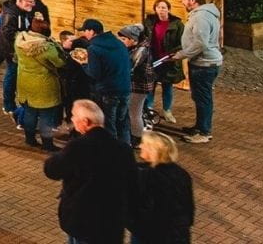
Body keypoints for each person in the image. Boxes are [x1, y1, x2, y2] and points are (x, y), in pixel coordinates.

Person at [43, 99, 137, 244]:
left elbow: (52, 170)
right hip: (112, 220)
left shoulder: (78, 147)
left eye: (74, 116)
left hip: (83, 219)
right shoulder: (123, 148)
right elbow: (132, 183)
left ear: (86, 121)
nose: (72, 120)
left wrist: (59, 154)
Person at [173, 0, 221, 144]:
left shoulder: (201, 17)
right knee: (201, 97)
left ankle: (204, 132)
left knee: (203, 98)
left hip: (204, 64)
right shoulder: (203, 15)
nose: (182, 2)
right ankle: (200, 126)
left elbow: (200, 43)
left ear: (193, 1)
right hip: (202, 62)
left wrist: (181, 55)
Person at [76, 18, 132, 146]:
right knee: (123, 122)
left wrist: (84, 64)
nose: (84, 34)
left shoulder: (94, 48)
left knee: (109, 125)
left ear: (92, 31)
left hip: (108, 91)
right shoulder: (119, 43)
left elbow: (95, 74)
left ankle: (111, 154)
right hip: (125, 88)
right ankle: (126, 150)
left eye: (85, 31)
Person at [131, 132, 195, 244]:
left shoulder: (150, 176)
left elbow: (145, 210)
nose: (140, 146)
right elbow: (189, 208)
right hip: (179, 234)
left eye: (144, 144)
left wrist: (132, 225)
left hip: (152, 236)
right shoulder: (182, 173)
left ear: (153, 150)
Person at [16, 13, 65, 150]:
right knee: (46, 116)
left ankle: (30, 139)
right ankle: (47, 144)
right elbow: (59, 62)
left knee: (30, 113)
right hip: (44, 85)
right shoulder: (46, 47)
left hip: (25, 83)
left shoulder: (20, 40)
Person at [0, 0, 36, 115]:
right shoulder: (12, 14)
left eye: (32, 2)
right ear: (20, 1)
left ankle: (11, 104)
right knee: (11, 76)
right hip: (11, 50)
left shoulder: (20, 12)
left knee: (13, 75)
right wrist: (24, 38)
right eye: (29, 2)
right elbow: (8, 31)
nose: (32, 4)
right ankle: (9, 105)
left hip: (15, 49)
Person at [117, 24, 155, 147]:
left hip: (139, 85)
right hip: (137, 83)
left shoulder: (141, 50)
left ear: (133, 39)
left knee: (134, 113)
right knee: (134, 112)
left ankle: (138, 138)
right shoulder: (137, 47)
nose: (121, 42)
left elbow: (131, 66)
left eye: (124, 39)